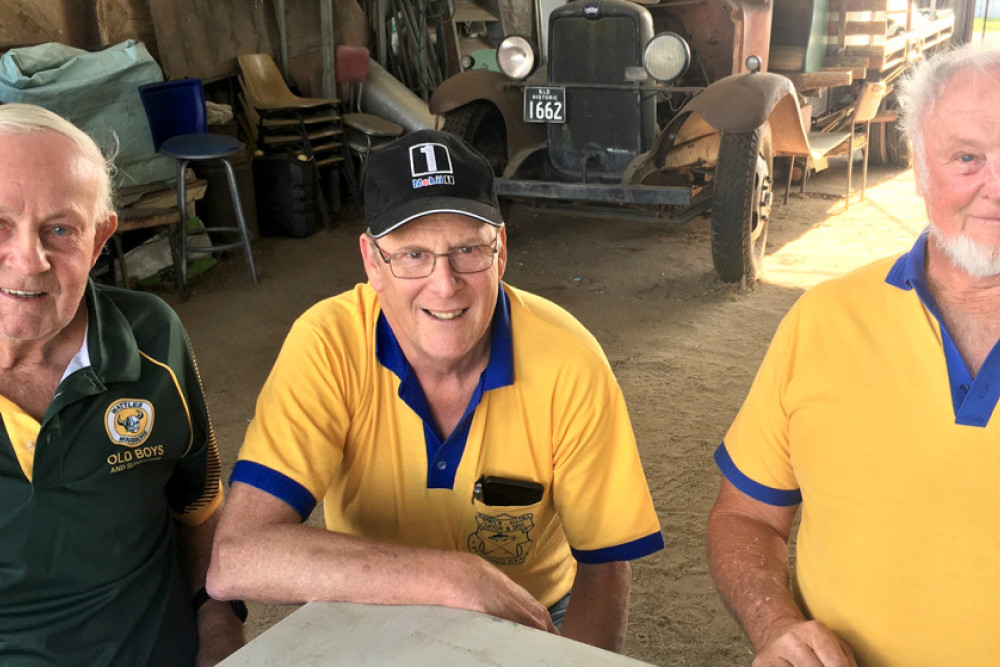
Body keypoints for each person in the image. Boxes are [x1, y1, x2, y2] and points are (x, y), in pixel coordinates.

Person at [207, 129, 664, 651]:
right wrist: (456, 580)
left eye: (467, 249)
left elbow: (605, 564)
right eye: (413, 255)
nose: (444, 285)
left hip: (527, 612)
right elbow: (236, 557)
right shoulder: (326, 344)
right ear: (372, 262)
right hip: (370, 606)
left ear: (502, 250)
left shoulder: (571, 362)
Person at [707, 43, 1000, 666]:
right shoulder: (824, 320)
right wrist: (773, 624)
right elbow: (747, 519)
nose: (996, 188)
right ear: (920, 168)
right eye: (968, 158)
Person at [0, 103, 244, 665]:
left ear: (101, 237)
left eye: (60, 229)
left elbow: (198, 500)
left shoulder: (150, 337)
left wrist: (218, 622)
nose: (29, 260)